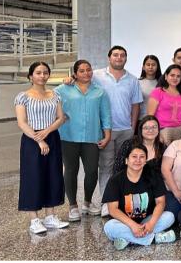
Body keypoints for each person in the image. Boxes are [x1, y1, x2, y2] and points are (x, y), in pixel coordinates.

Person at [16, 61, 69, 234]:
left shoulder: (54, 95)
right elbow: (22, 122)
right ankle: (34, 219)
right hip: (32, 140)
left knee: (53, 175)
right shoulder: (23, 96)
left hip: (52, 137)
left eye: (45, 72)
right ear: (31, 76)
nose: (42, 76)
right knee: (33, 176)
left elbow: (60, 118)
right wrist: (39, 139)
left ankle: (50, 216)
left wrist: (47, 132)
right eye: (38, 73)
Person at [56, 59, 111, 221]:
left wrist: (107, 134)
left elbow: (105, 115)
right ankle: (73, 206)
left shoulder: (99, 92)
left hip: (92, 137)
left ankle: (87, 202)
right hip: (68, 136)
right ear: (75, 73)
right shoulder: (62, 90)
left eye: (89, 70)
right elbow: (50, 103)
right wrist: (58, 116)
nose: (86, 73)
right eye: (82, 70)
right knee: (71, 170)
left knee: (92, 170)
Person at [94, 45, 143, 217]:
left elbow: (135, 105)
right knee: (106, 166)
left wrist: (132, 126)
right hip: (106, 130)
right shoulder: (96, 76)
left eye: (122, 55)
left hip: (125, 130)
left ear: (126, 59)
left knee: (123, 166)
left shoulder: (132, 80)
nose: (119, 58)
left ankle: (121, 201)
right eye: (115, 55)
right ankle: (107, 203)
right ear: (109, 57)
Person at [102, 144, 176, 250]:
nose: (138, 160)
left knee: (169, 216)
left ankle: (128, 240)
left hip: (146, 221)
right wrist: (133, 226)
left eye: (142, 157)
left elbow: (161, 202)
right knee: (109, 227)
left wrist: (151, 223)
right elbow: (113, 210)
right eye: (134, 156)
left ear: (145, 161)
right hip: (125, 223)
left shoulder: (154, 176)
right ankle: (154, 239)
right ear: (126, 160)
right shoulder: (115, 180)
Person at [147, 64, 181, 145]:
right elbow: (150, 116)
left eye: (178, 76)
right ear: (166, 76)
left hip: (180, 131)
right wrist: (156, 134)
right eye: (172, 75)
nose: (175, 78)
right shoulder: (158, 91)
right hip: (163, 130)